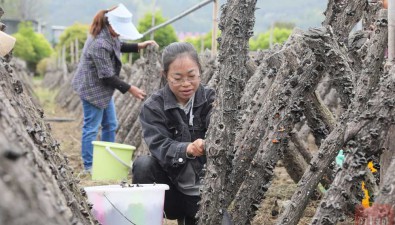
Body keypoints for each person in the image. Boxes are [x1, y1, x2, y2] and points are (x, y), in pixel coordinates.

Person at [132, 42, 215, 225]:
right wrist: (188, 148)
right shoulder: (154, 107)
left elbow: (219, 126)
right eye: (177, 78)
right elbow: (159, 145)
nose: (186, 84)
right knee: (143, 165)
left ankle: (189, 217)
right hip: (172, 191)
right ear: (165, 76)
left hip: (207, 193)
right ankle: (150, 219)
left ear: (200, 71)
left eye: (191, 76)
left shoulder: (212, 99)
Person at [72, 3, 158, 173]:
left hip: (102, 88)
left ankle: (107, 160)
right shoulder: (99, 43)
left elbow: (118, 45)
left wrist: (138, 46)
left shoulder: (109, 34)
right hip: (92, 90)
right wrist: (130, 88)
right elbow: (106, 75)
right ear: (111, 24)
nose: (120, 33)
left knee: (111, 124)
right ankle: (89, 166)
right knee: (91, 127)